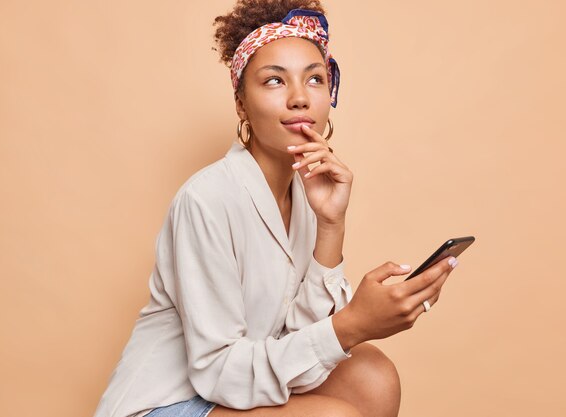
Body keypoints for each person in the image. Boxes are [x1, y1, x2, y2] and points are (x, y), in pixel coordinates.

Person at [93, 1, 459, 417]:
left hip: (236, 388)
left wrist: (330, 224)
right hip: (172, 401)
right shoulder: (207, 199)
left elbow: (295, 343)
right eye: (274, 81)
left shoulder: (308, 195)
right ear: (241, 105)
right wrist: (351, 324)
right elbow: (218, 373)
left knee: (374, 377)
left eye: (315, 79)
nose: (300, 99)